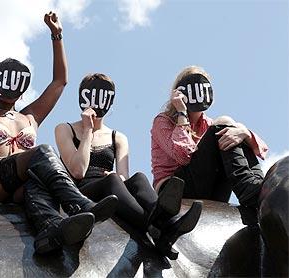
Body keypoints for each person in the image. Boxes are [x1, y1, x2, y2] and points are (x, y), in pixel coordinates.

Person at [0, 12, 118, 255]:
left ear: (22, 93)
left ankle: (50, 230)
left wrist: (56, 34)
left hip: (23, 184)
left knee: (37, 182)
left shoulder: (29, 117)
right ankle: (78, 203)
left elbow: (60, 81)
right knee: (42, 152)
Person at [55, 73, 203, 259]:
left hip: (112, 189)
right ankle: (155, 225)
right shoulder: (64, 129)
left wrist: (118, 179)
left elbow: (123, 176)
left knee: (139, 177)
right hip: (80, 191)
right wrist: (87, 131)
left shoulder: (118, 137)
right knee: (112, 179)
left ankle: (170, 221)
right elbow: (77, 171)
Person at [151, 65, 269, 225]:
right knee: (226, 123)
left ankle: (257, 188)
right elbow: (183, 156)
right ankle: (250, 190)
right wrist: (181, 113)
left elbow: (261, 150)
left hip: (209, 188)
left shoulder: (209, 124)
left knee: (233, 130)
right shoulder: (163, 121)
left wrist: (244, 132)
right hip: (176, 190)